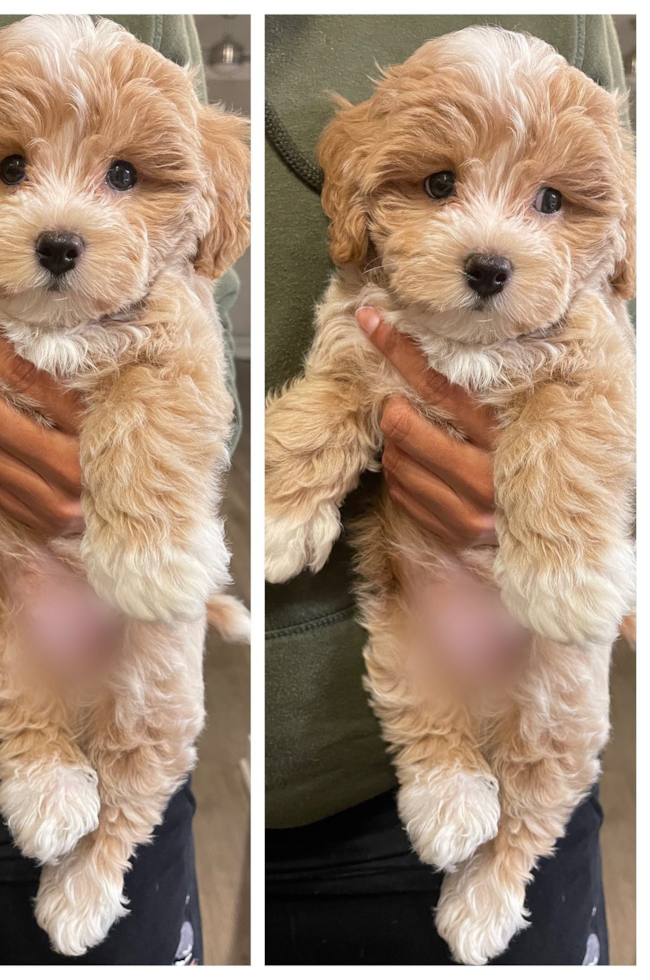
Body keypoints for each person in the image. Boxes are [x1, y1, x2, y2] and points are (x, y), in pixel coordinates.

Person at [264, 14, 628, 965]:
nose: (491, 242)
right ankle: (439, 758)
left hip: (542, 640)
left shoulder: (579, 325)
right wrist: (294, 487)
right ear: (359, 196)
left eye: (549, 199)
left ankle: (508, 862)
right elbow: (334, 395)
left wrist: (558, 528)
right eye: (439, 185)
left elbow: (607, 402)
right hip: (304, 749)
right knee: (410, 633)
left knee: (552, 719)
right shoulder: (367, 311)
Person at [0, 14, 241, 965]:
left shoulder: (166, 308)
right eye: (7, 171)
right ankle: (39, 756)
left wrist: (137, 502)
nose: (57, 222)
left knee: (148, 706)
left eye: (123, 177)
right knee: (11, 647)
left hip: (128, 619)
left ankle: (110, 851)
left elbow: (200, 399)